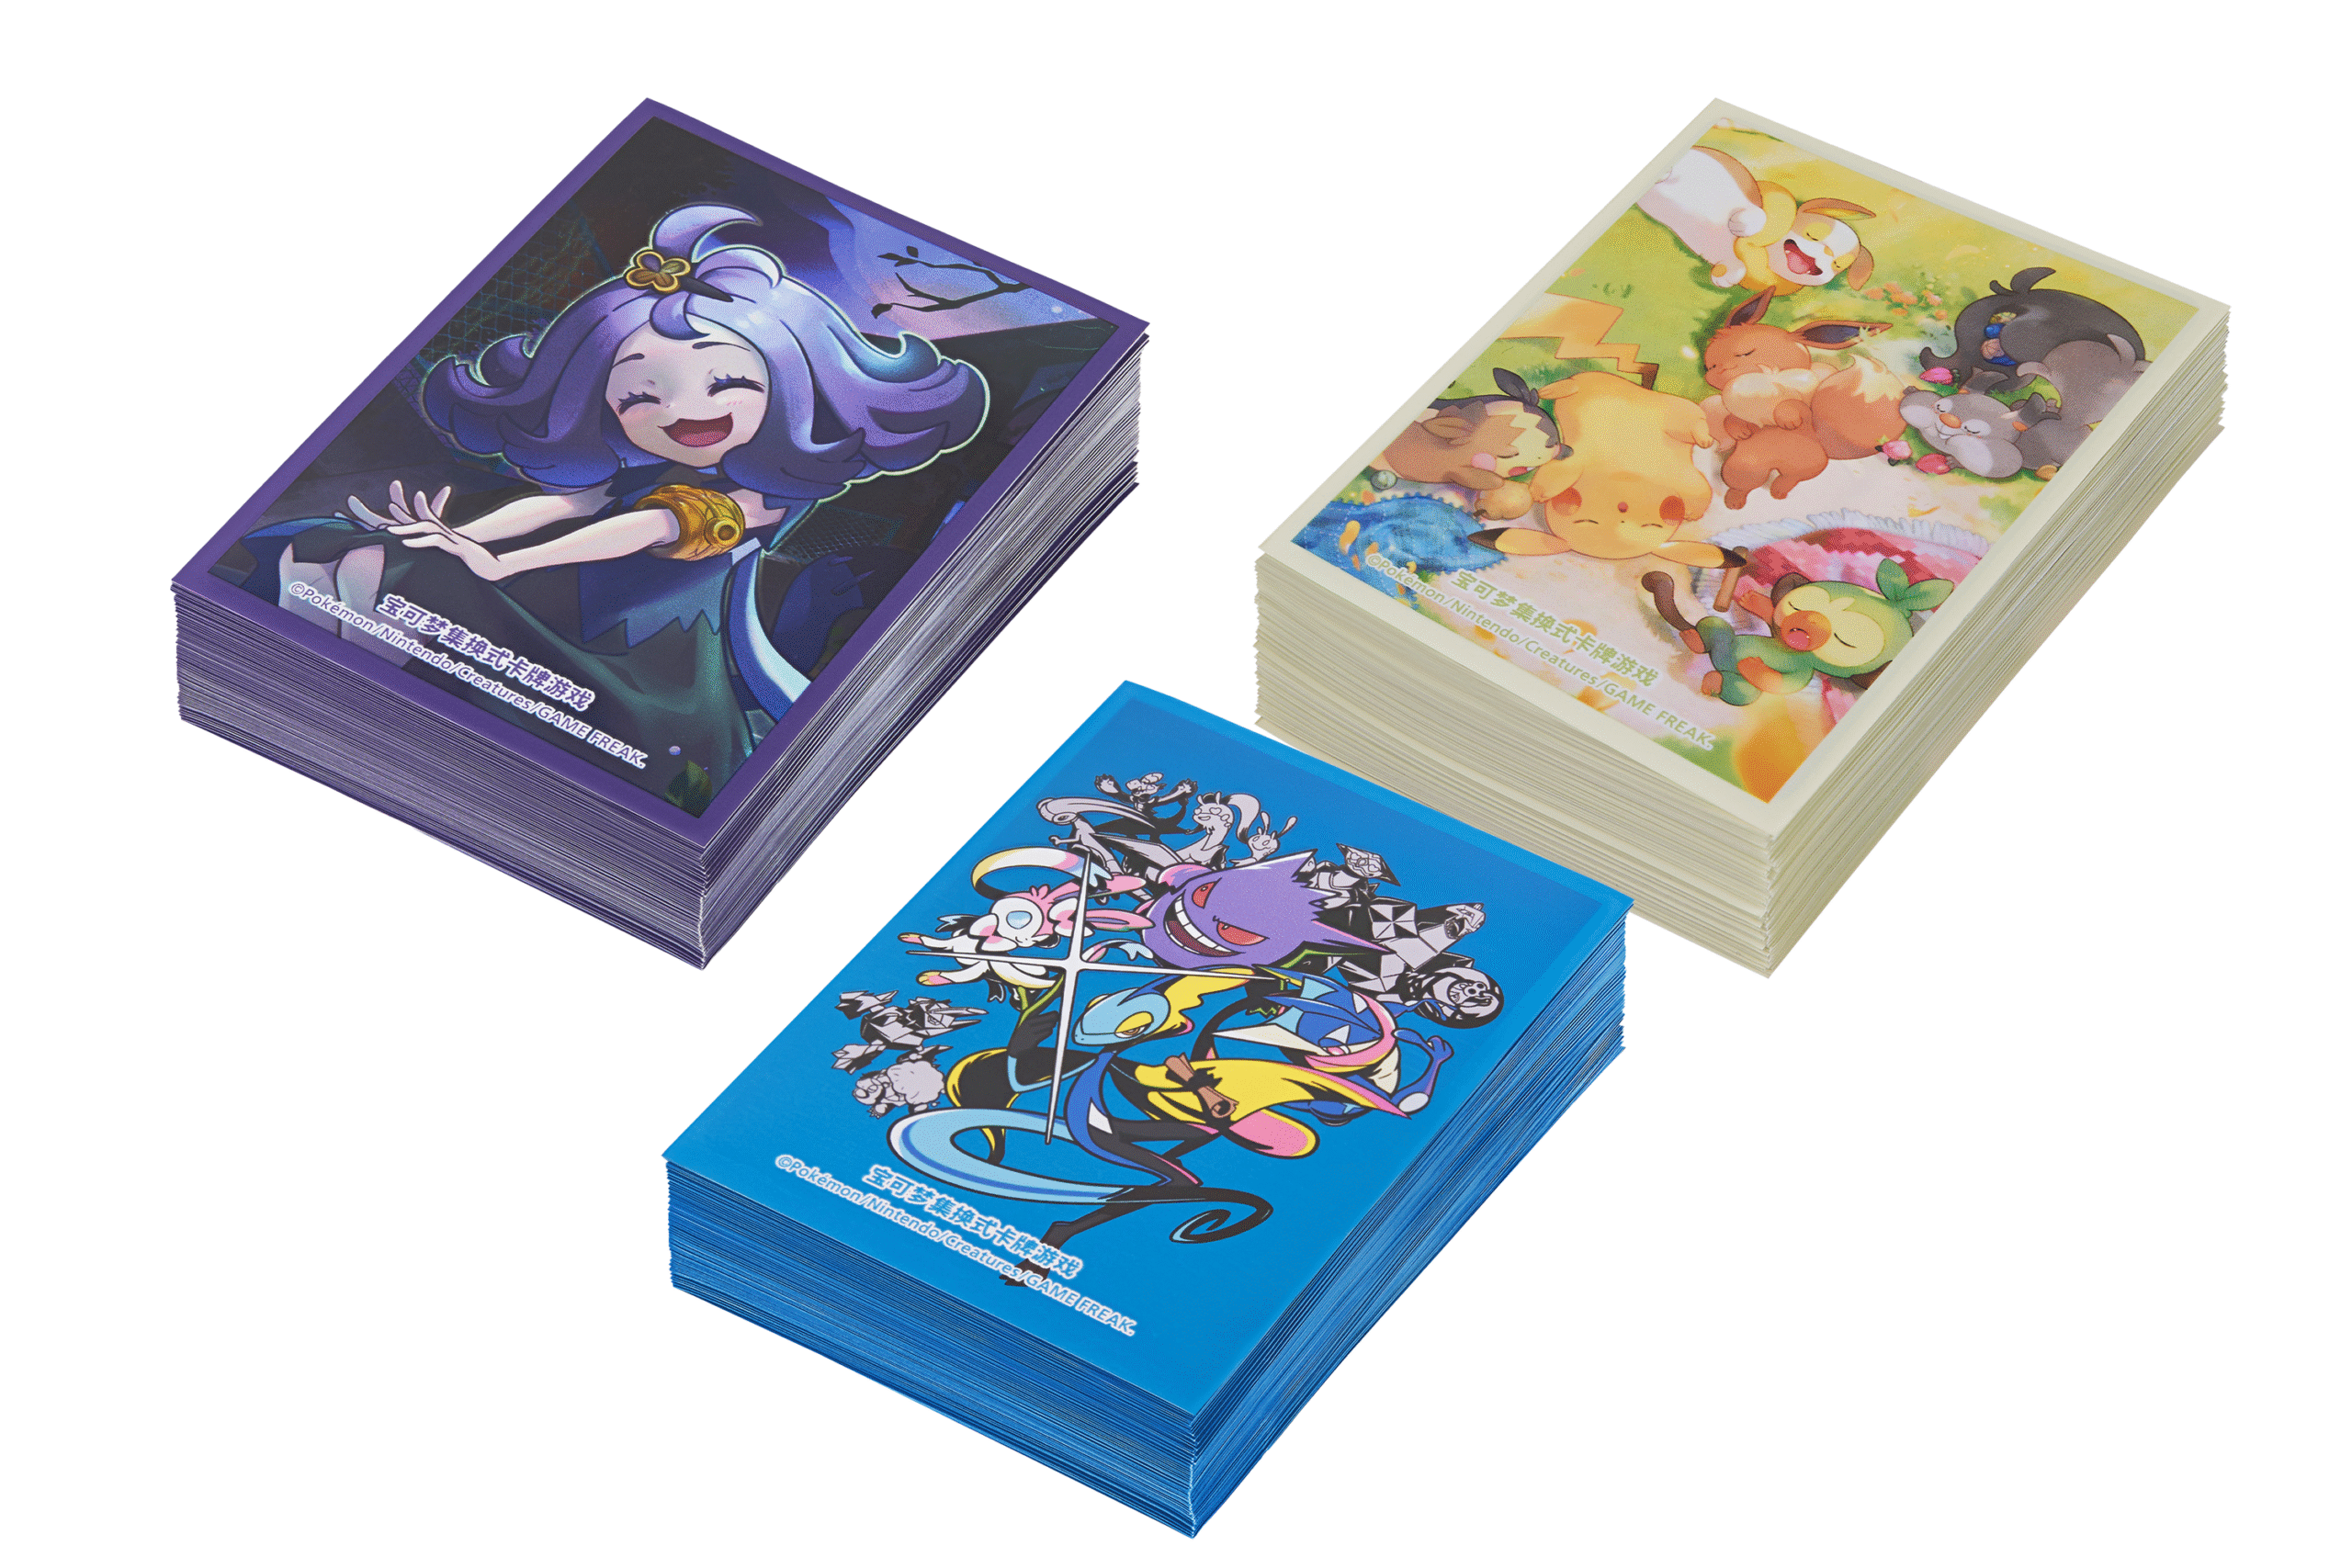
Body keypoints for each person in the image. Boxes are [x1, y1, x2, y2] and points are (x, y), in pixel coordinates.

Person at [225, 203, 988, 807]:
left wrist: (502, 562)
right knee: (373, 556)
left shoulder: (753, 497)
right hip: (562, 610)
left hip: (646, 665)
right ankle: (324, 686)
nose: (681, 409)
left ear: (793, 389)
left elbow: (651, 525)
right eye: (640, 393)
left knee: (426, 593)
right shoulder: (639, 464)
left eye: (727, 383)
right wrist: (455, 531)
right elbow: (567, 502)